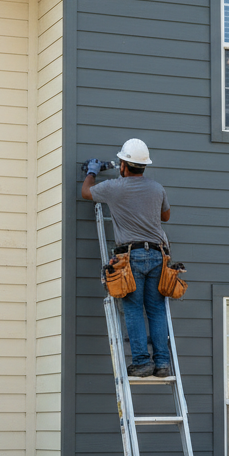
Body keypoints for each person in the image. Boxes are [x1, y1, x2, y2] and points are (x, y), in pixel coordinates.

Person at [82, 138, 172, 378]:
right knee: (156, 309)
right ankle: (162, 364)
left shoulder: (114, 187)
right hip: (158, 255)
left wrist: (92, 172)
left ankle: (142, 362)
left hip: (131, 256)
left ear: (123, 165)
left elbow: (86, 193)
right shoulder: (157, 188)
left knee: (133, 309)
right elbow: (165, 216)